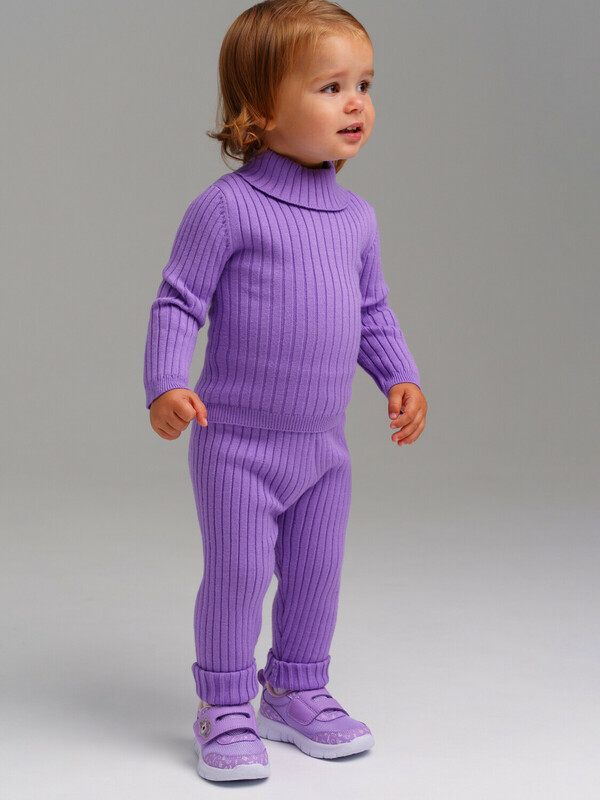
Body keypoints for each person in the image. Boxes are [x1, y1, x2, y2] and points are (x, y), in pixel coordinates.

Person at [143, 0, 428, 783]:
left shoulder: (357, 219)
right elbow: (178, 301)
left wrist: (400, 374)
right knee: (239, 575)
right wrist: (166, 381)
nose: (357, 103)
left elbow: (372, 310)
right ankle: (224, 704)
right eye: (331, 87)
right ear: (260, 112)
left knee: (315, 574)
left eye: (364, 84)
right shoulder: (227, 207)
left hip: (323, 447)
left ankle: (295, 689)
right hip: (237, 444)